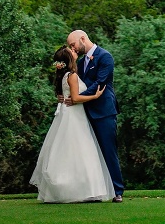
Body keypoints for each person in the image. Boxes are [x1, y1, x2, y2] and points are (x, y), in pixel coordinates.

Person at [29, 46, 115, 203]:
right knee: (81, 149)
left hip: (67, 114)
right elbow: (75, 98)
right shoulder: (72, 75)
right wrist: (94, 96)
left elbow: (66, 95)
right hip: (74, 115)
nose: (75, 52)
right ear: (68, 58)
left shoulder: (63, 74)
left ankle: (70, 189)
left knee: (67, 150)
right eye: (72, 52)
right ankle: (83, 190)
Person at [66, 29, 125, 202]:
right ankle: (95, 190)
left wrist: (77, 99)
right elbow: (75, 82)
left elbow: (100, 84)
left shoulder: (105, 57)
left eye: (73, 44)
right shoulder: (82, 61)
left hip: (104, 112)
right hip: (84, 113)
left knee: (108, 150)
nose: (73, 49)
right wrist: (67, 95)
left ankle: (117, 191)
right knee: (89, 153)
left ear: (83, 39)